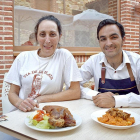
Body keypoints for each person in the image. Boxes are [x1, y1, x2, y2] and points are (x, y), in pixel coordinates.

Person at [5, 15, 82, 112]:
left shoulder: (64, 56)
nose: (47, 40)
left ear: (60, 36)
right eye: (42, 34)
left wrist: (40, 99)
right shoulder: (23, 57)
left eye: (52, 34)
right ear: (36, 36)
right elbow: (12, 93)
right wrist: (20, 103)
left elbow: (75, 92)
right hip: (21, 113)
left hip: (48, 114)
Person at [80, 19, 140, 108]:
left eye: (114, 37)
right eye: (103, 39)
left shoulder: (137, 61)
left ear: (123, 39)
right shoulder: (93, 61)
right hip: (102, 116)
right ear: (99, 43)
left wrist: (116, 100)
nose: (108, 43)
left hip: (134, 118)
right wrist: (96, 95)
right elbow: (73, 86)